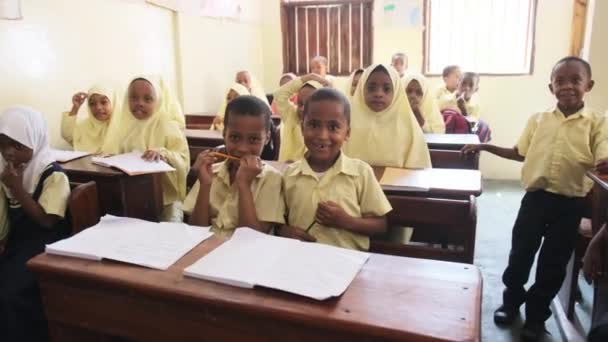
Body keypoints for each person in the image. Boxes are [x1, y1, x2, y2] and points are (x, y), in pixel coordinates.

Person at [462, 56, 608, 341]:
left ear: (588, 85)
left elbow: (603, 157)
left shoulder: (597, 122)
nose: (567, 86)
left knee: (553, 264)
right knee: (520, 255)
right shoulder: (538, 120)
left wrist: (604, 161)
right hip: (535, 200)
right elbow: (520, 152)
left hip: (570, 204)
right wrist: (485, 145)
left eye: (574, 81)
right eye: (560, 81)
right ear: (550, 87)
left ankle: (537, 316)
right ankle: (510, 303)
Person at [279, 88, 392, 250]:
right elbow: (279, 221)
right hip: (301, 260)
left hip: (348, 263)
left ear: (347, 133)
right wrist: (284, 231)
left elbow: (381, 225)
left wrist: (346, 221)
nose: (322, 135)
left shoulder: (361, 172)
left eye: (333, 127)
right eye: (314, 125)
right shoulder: (290, 174)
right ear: (302, 128)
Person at [0, 106, 71, 341]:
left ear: (35, 140)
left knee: (10, 295)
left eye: (18, 145)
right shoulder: (8, 171)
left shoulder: (54, 175)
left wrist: (17, 189)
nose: (9, 152)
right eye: (3, 144)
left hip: (45, 245)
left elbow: (46, 221)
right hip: (16, 243)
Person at [184, 96, 285, 237]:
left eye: (254, 139)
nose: (243, 148)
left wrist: (244, 185)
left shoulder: (272, 179)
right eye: (235, 138)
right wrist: (205, 185)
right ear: (224, 134)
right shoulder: (210, 172)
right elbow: (195, 231)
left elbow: (252, 239)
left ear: (267, 138)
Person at [115, 76, 190, 222]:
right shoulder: (125, 127)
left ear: (158, 101)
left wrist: (163, 154)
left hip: (167, 200)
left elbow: (183, 160)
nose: (139, 104)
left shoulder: (167, 125)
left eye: (147, 99)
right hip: (134, 199)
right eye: (134, 98)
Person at [344, 63, 431, 169]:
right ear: (361, 89)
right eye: (371, 88)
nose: (379, 94)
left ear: (396, 92)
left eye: (386, 89)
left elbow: (419, 170)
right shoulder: (347, 124)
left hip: (398, 184)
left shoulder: (409, 127)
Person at [274, 74, 329, 162]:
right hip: (287, 170)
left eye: (307, 104)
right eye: (300, 104)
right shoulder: (292, 116)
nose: (302, 109)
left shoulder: (325, 128)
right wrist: (308, 78)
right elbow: (279, 95)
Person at [61, 84, 120, 153]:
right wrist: (75, 107)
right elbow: (68, 136)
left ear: (113, 102)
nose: (98, 107)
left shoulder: (123, 126)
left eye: (103, 102)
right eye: (92, 104)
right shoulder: (84, 126)